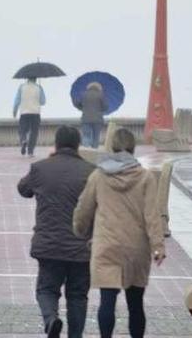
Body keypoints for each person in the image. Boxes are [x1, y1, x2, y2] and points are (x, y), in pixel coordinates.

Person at [72, 128, 166, 338]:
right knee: (135, 303)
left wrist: (79, 229)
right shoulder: (146, 178)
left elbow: (84, 207)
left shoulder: (98, 176)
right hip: (136, 248)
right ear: (133, 150)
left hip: (107, 245)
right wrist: (158, 247)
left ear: (112, 148)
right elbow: (153, 215)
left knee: (107, 301)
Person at [17, 126, 95, 338]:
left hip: (49, 244)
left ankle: (51, 319)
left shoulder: (40, 168)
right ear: (78, 145)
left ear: (56, 144)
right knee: (78, 295)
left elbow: (23, 189)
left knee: (46, 290)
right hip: (81, 246)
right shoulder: (91, 171)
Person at [14, 77, 46, 157]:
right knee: (34, 133)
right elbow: (43, 102)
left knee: (22, 130)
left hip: (24, 113)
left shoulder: (22, 87)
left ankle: (24, 140)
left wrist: (14, 111)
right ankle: (30, 152)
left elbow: (17, 100)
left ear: (27, 78)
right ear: (35, 78)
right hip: (35, 113)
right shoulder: (39, 87)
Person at [75, 82, 108, 149]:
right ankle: (94, 152)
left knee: (86, 136)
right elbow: (106, 107)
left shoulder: (83, 94)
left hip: (85, 119)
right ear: (99, 88)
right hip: (98, 119)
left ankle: (86, 151)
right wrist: (100, 109)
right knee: (96, 137)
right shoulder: (101, 95)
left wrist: (83, 108)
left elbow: (77, 104)